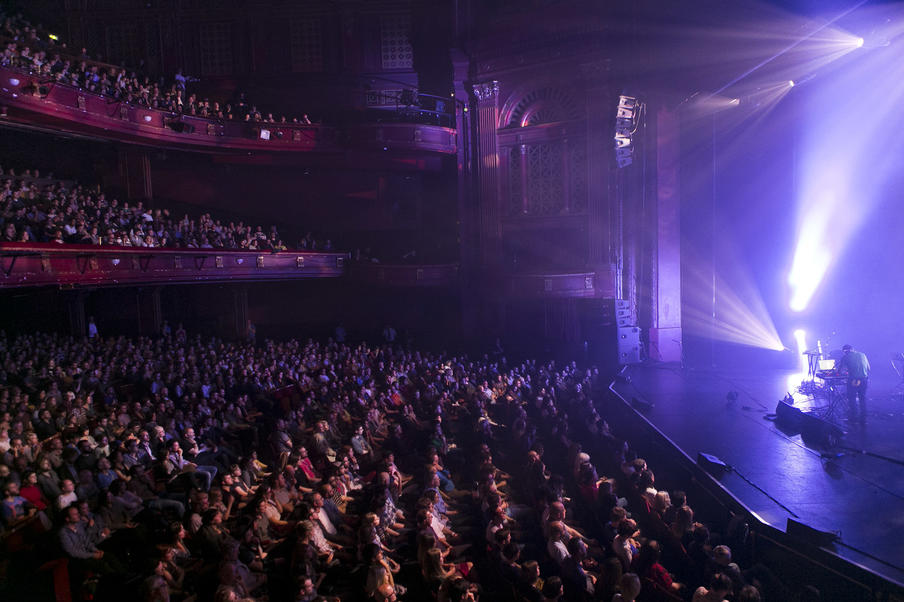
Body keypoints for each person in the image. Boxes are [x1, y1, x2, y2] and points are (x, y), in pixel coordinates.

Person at [835, 344, 870, 422]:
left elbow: (840, 371)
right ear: (853, 349)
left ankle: (853, 417)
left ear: (845, 351)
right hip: (864, 379)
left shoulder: (846, 357)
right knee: (862, 398)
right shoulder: (862, 354)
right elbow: (868, 368)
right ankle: (863, 417)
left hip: (854, 380)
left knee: (852, 398)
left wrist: (843, 372)